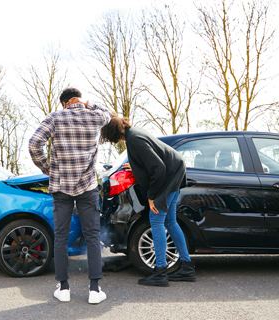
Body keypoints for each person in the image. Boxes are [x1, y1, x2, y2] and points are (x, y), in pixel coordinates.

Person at [29, 88, 113, 304]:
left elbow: (34, 143)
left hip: (61, 186)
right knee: (93, 236)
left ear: (64, 103)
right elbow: (108, 113)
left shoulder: (55, 118)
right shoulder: (94, 116)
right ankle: (94, 290)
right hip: (87, 186)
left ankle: (63, 287)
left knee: (61, 236)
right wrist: (89, 104)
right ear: (79, 100)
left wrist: (46, 168)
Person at [100, 116, 196, 287]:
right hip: (175, 171)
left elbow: (158, 168)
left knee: (156, 220)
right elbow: (151, 161)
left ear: (112, 132)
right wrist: (136, 167)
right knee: (170, 221)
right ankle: (187, 267)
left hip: (168, 175)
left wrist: (152, 196)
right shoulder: (134, 134)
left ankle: (160, 272)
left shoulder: (134, 140)